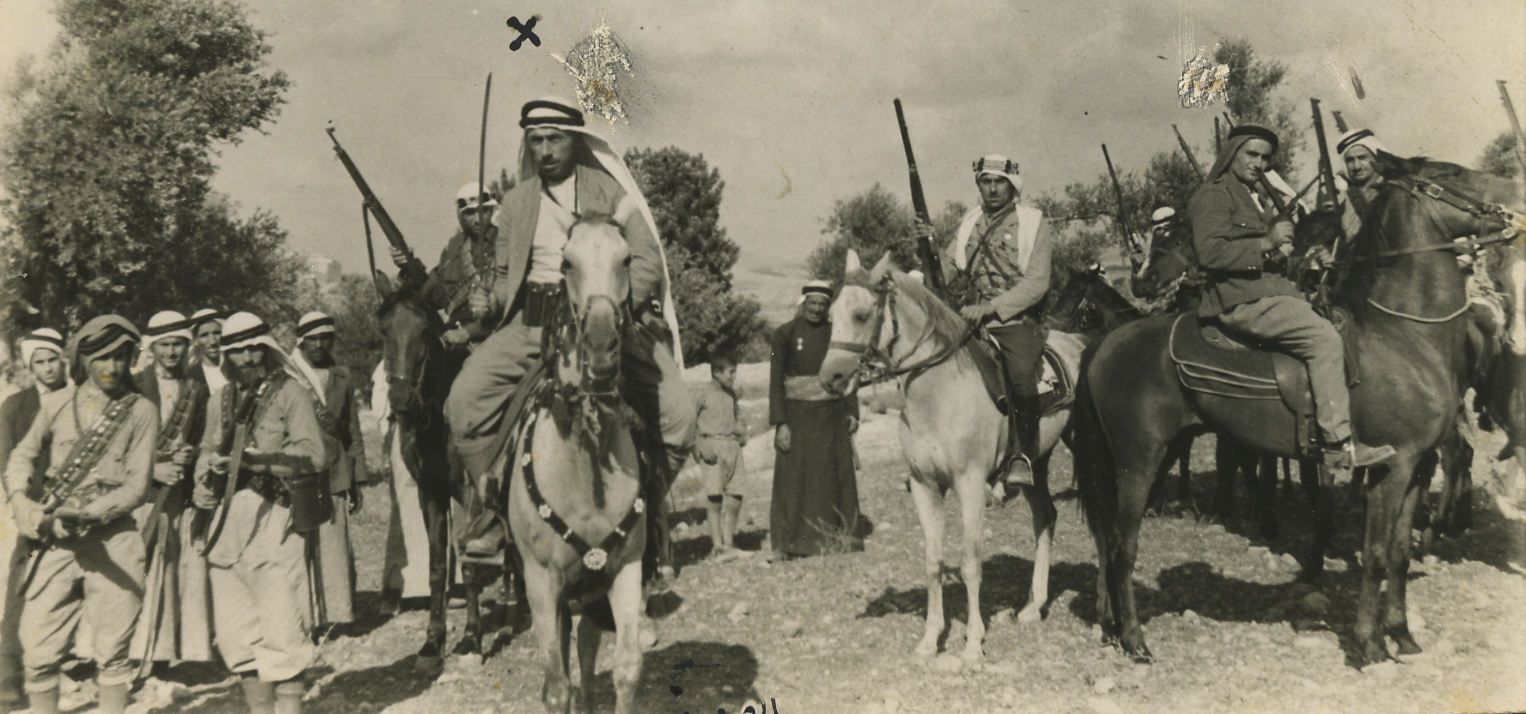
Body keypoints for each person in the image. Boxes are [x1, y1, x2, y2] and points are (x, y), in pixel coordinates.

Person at [445, 97, 695, 560]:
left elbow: (646, 261)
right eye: (536, 140)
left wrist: (614, 308)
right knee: (462, 404)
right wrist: (489, 300)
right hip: (532, 324)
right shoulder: (516, 202)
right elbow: (503, 277)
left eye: (555, 139)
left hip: (606, 322)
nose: (545, 151)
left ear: (575, 141)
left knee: (681, 417)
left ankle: (645, 509)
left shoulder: (611, 193)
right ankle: (496, 511)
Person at [1188, 123, 1396, 474]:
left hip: (1266, 292)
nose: (1258, 163)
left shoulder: (1248, 197)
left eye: (1265, 158)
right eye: (1251, 154)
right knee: (1323, 339)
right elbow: (1209, 253)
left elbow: (1258, 258)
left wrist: (1289, 257)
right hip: (1241, 301)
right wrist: (1266, 243)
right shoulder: (1212, 196)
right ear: (1232, 153)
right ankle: (1337, 444)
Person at [4, 316, 157, 714]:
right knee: (38, 648)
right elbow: (22, 455)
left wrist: (89, 513)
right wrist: (20, 498)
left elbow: (136, 486)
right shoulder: (57, 402)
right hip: (56, 541)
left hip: (114, 539)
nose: (112, 367)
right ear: (84, 360)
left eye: (121, 357)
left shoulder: (141, 410)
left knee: (113, 651)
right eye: (102, 357)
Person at [192, 312, 325, 714]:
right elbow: (206, 448)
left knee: (283, 630)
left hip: (275, 517)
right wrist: (202, 480)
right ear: (226, 356)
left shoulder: (291, 393)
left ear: (266, 349)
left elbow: (314, 456)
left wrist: (256, 461)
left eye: (254, 349)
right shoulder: (219, 399)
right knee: (237, 635)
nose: (248, 358)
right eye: (238, 351)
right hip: (225, 523)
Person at [916, 154, 1054, 489]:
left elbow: (1037, 283)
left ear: (1012, 185)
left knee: (1020, 376)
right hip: (971, 320)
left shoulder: (1034, 223)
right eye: (986, 182)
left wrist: (992, 308)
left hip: (1016, 321)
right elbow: (943, 273)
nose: (992, 189)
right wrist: (927, 247)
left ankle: (1022, 455)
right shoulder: (970, 223)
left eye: (999, 182)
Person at [130, 312, 214, 669]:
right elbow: (119, 448)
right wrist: (153, 468)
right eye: (164, 344)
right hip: (141, 496)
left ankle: (165, 653)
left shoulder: (197, 388)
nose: (171, 352)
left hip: (179, 494)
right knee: (140, 566)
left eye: (178, 344)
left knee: (174, 569)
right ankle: (131, 654)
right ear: (151, 347)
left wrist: (192, 456)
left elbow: (204, 438)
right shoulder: (133, 386)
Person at [0, 329, 68, 713]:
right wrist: (23, 505)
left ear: (63, 361)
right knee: (21, 584)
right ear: (30, 366)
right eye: (39, 362)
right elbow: (7, 460)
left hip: (75, 508)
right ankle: (9, 679)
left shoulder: (80, 397)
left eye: (52, 360)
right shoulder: (16, 405)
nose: (47, 368)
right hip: (33, 510)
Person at [768, 281, 860, 561]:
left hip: (832, 415)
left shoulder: (836, 333)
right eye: (813, 303)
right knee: (794, 478)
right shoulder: (784, 334)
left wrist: (852, 410)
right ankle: (787, 543)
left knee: (832, 476)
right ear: (803, 303)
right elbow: (775, 380)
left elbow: (848, 371)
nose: (817, 309)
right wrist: (781, 423)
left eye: (822, 305)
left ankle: (838, 539)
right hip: (796, 416)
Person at [288, 311, 367, 629]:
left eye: (326, 338)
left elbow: (351, 429)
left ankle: (337, 615)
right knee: (299, 548)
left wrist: (356, 478)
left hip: (334, 471)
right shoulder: (288, 374)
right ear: (301, 342)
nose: (320, 345)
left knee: (334, 546)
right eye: (313, 339)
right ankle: (304, 617)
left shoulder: (342, 376)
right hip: (298, 473)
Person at [390, 183, 500, 351]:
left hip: (489, 334)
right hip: (451, 334)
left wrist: (469, 332)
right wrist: (409, 265)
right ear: (460, 215)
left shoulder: (504, 243)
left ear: (491, 211)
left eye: (483, 211)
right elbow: (435, 296)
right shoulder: (454, 246)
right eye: (470, 213)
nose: (478, 220)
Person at [694, 355, 747, 560]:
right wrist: (700, 446)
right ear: (716, 373)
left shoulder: (731, 394)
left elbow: (738, 414)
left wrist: (741, 428)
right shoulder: (702, 394)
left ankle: (729, 544)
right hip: (712, 451)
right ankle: (717, 546)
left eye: (735, 372)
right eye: (730, 372)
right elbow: (690, 421)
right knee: (714, 499)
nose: (734, 377)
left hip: (732, 448)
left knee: (735, 498)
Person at [190, 309, 229, 396]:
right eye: (204, 335)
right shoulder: (191, 376)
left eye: (217, 333)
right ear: (195, 340)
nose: (212, 342)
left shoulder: (235, 368)